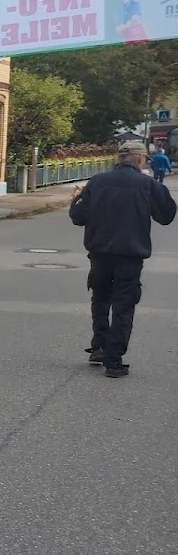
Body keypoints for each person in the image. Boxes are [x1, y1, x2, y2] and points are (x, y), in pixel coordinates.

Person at [69, 140, 176, 378]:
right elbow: (167, 215)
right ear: (139, 159)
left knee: (100, 298)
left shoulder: (97, 182)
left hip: (100, 254)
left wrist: (77, 199)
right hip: (130, 255)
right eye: (145, 160)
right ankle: (114, 361)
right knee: (124, 305)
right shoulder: (148, 184)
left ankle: (99, 346)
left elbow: (78, 217)